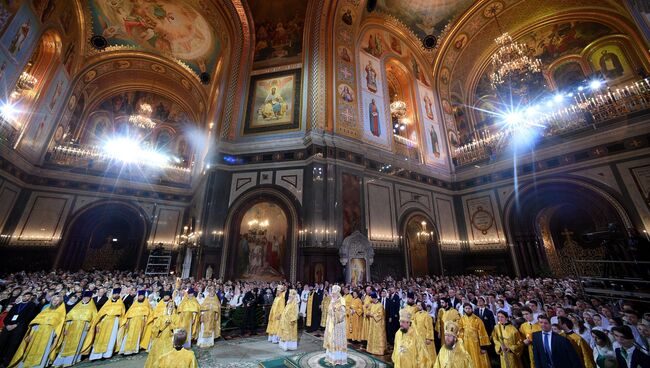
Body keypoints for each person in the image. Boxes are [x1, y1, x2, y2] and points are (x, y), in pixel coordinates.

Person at [9, 294, 66, 368]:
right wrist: (31, 333)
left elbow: (60, 324)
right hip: (37, 332)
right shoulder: (45, 310)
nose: (55, 302)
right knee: (31, 348)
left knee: (44, 349)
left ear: (60, 302)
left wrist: (55, 333)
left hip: (49, 333)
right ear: (51, 301)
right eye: (54, 300)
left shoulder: (61, 312)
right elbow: (35, 321)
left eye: (57, 301)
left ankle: (39, 366)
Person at [52, 290, 97, 367]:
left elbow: (95, 319)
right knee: (66, 344)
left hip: (83, 328)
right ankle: (59, 362)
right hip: (71, 328)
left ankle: (70, 360)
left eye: (87, 297)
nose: (85, 299)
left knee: (78, 344)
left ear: (90, 298)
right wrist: (66, 328)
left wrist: (90, 325)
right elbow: (68, 317)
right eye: (84, 297)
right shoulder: (77, 306)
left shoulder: (92, 307)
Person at [0, 292, 37, 367]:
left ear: (30, 298)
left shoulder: (31, 305)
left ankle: (6, 363)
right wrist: (7, 325)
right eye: (25, 296)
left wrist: (16, 324)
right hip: (8, 326)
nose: (26, 297)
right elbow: (8, 316)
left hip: (19, 327)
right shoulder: (16, 305)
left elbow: (28, 317)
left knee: (12, 345)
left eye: (28, 296)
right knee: (1, 342)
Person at [89, 288, 125, 361]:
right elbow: (101, 313)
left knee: (111, 337)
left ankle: (107, 354)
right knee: (101, 337)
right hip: (105, 321)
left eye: (117, 294)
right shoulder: (107, 302)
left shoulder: (121, 303)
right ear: (112, 294)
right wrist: (98, 322)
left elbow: (122, 314)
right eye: (115, 294)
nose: (116, 295)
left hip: (114, 321)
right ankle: (96, 355)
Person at [145, 291, 176, 368]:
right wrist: (164, 326)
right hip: (160, 339)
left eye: (172, 307)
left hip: (170, 340)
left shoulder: (176, 317)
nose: (170, 308)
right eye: (169, 306)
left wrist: (171, 325)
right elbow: (155, 329)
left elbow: (178, 329)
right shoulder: (161, 318)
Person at [118, 290, 151, 355]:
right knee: (129, 335)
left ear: (144, 296)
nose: (140, 297)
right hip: (132, 322)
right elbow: (129, 313)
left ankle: (134, 349)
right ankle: (125, 349)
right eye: (139, 296)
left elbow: (149, 313)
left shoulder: (146, 304)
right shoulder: (134, 304)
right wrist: (127, 321)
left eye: (142, 296)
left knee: (137, 335)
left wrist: (145, 318)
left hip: (140, 322)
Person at [459, 302, 490, 368]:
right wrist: (460, 343)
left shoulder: (477, 319)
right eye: (466, 308)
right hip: (465, 343)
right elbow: (460, 331)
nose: (468, 310)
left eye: (469, 308)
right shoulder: (462, 319)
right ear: (464, 309)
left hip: (476, 344)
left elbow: (482, 333)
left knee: (476, 359)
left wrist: (483, 347)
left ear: (472, 309)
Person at [323, 285, 347, 365]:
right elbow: (329, 310)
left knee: (337, 341)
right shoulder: (332, 300)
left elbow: (343, 313)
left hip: (338, 325)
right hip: (331, 324)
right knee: (330, 340)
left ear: (337, 293)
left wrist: (335, 311)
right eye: (332, 293)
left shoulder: (342, 300)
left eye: (334, 293)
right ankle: (330, 357)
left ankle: (338, 359)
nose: (332, 295)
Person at [412, 301, 436, 365]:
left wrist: (429, 338)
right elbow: (413, 325)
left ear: (422, 306)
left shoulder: (427, 315)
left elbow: (429, 328)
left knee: (427, 351)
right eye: (417, 305)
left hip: (425, 336)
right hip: (418, 336)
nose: (418, 306)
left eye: (419, 305)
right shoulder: (416, 314)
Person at [365, 291, 386, 356]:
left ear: (375, 298)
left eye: (372, 299)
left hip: (378, 325)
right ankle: (371, 349)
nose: (371, 300)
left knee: (377, 337)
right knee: (372, 336)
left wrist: (372, 314)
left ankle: (379, 350)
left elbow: (380, 315)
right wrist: (368, 313)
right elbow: (368, 310)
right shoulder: (372, 305)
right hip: (372, 324)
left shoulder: (380, 306)